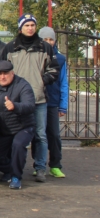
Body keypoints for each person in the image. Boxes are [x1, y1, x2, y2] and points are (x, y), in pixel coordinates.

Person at [3, 14, 58, 183]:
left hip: (38, 99)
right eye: (26, 25)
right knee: (13, 133)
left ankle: (40, 168)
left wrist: (42, 81)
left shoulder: (45, 47)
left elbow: (54, 70)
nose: (30, 28)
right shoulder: (10, 47)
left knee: (40, 135)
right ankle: (11, 167)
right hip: (16, 100)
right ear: (21, 28)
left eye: (33, 25)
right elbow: (2, 70)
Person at [0, 60, 36, 190]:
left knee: (18, 145)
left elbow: (30, 105)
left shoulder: (23, 85)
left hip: (22, 127)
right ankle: (9, 170)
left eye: (6, 73)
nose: (2, 76)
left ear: (13, 73)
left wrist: (15, 106)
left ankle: (16, 177)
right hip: (1, 129)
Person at [38, 27, 68, 179]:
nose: (48, 42)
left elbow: (63, 83)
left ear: (55, 41)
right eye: (45, 39)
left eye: (51, 39)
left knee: (54, 135)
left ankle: (55, 165)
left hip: (53, 102)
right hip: (38, 100)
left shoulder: (60, 59)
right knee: (38, 135)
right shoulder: (36, 55)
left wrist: (63, 104)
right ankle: (39, 165)